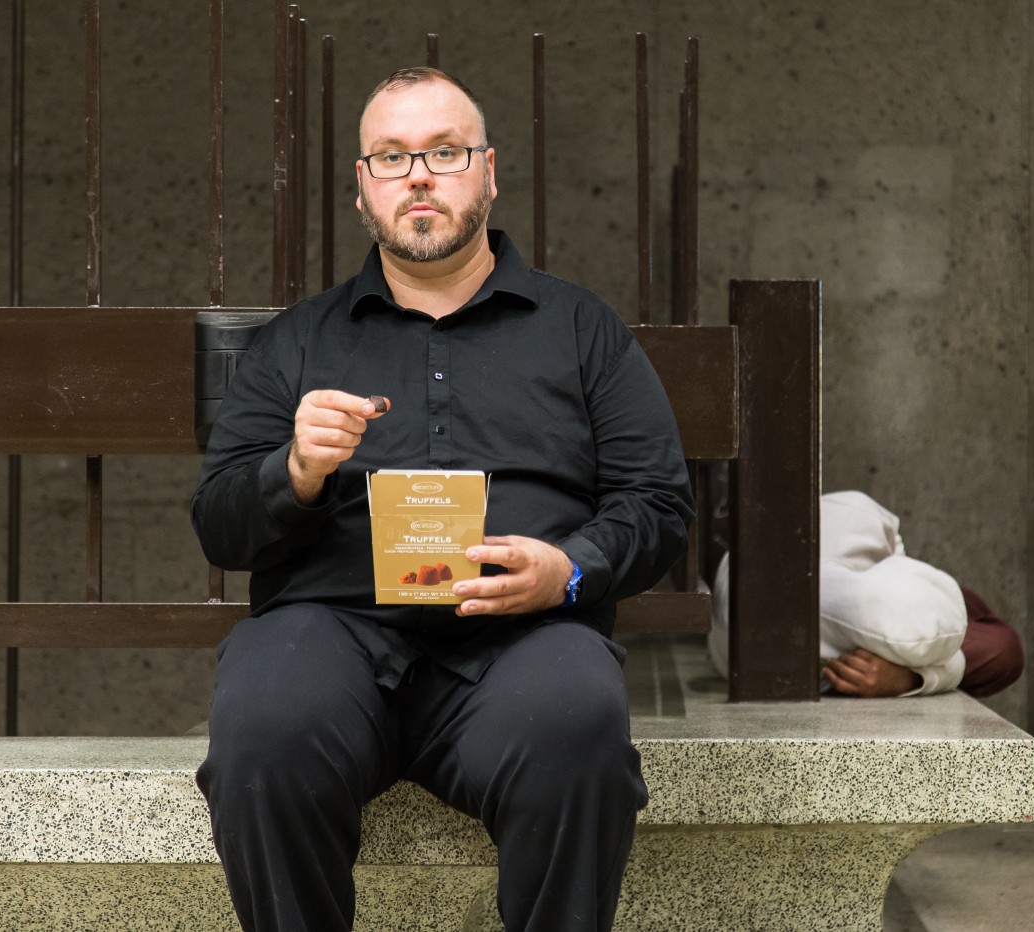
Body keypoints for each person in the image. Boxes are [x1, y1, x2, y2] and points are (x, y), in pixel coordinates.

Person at [190, 66, 693, 932]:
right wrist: (295, 474)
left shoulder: (581, 330)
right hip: (329, 634)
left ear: (488, 172)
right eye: (391, 157)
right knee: (262, 729)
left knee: (577, 724)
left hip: (522, 638)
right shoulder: (296, 344)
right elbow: (219, 525)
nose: (418, 175)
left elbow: (656, 504)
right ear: (363, 188)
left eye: (443, 151)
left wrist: (569, 570)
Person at [708, 491, 1023, 698]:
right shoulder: (768, 630)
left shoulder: (852, 517)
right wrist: (915, 679)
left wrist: (912, 678)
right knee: (1002, 649)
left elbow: (887, 538)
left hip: (869, 562)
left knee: (989, 637)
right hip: (868, 590)